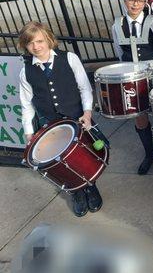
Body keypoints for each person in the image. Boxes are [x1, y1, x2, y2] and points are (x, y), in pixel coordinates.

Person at [19, 22, 103, 217]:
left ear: (48, 38)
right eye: (30, 43)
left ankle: (91, 186)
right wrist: (29, 134)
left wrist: (87, 113)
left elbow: (84, 88)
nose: (36, 46)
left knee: (84, 157)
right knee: (60, 163)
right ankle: (76, 192)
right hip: (50, 125)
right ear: (25, 45)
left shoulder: (69, 58)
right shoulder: (26, 71)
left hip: (77, 118)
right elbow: (27, 105)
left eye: (39, 41)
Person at [111, 0, 153, 175]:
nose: (135, 4)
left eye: (139, 0)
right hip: (131, 80)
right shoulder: (116, 25)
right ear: (124, 0)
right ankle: (149, 154)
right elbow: (119, 52)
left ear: (145, 3)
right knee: (139, 116)